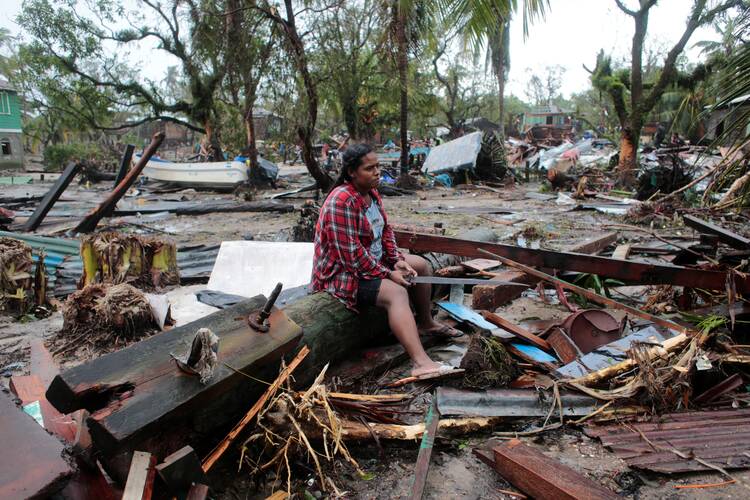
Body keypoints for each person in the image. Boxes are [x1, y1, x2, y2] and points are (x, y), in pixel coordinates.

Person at [311, 143, 463, 380]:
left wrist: (397, 261)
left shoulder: (371, 193)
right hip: (342, 273)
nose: (377, 172)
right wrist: (388, 273)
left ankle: (425, 323)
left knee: (420, 266)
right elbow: (352, 257)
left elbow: (386, 232)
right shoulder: (341, 202)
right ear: (352, 172)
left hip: (372, 262)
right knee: (397, 294)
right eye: (369, 168)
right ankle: (421, 363)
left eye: (378, 166)